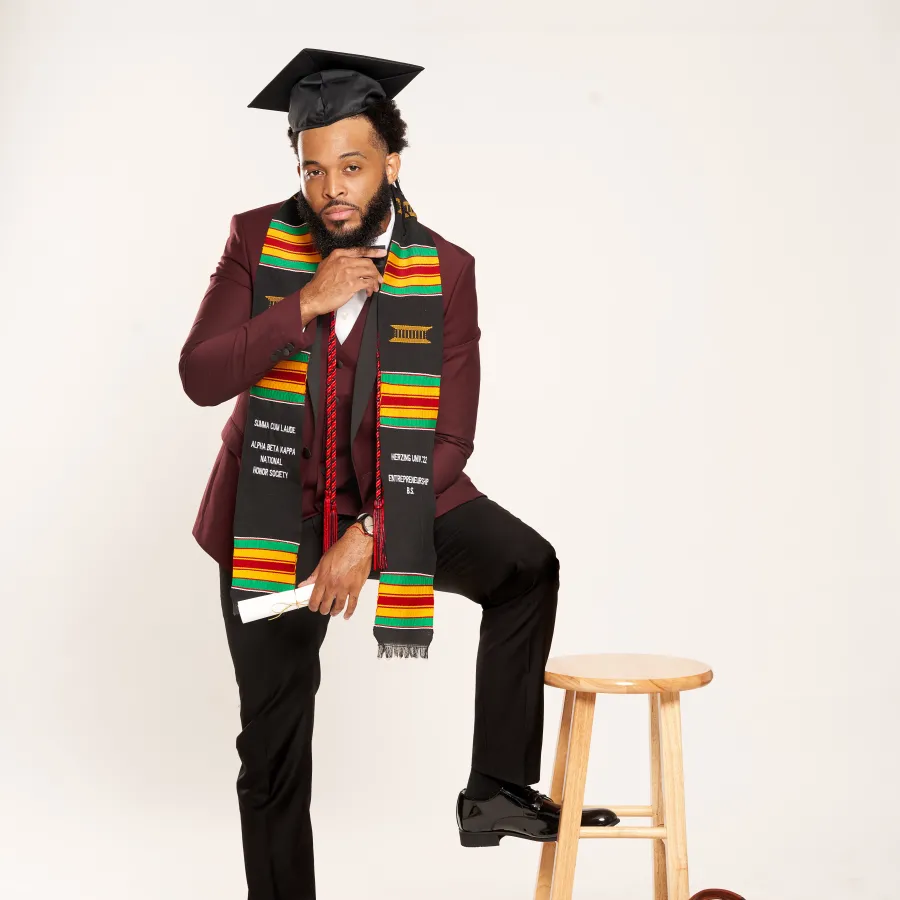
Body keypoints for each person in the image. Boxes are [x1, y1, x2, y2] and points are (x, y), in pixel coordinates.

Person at [179, 47, 617, 899]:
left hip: (396, 499)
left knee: (525, 566)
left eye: (352, 165)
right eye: (314, 169)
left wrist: (367, 535)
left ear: (391, 163)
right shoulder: (252, 240)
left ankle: (493, 788)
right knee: (271, 747)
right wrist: (300, 303)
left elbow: (450, 437)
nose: (332, 188)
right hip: (271, 513)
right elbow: (200, 375)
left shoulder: (445, 270)